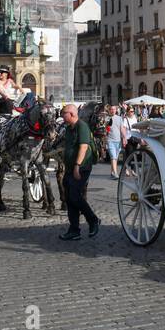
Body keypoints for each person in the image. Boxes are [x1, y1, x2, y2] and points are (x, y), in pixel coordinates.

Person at [58, 103, 99, 241]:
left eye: (64, 113)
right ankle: (74, 230)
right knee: (69, 198)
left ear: (72, 114)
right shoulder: (69, 128)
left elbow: (83, 147)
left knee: (75, 196)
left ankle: (93, 220)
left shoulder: (82, 126)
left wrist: (76, 166)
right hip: (70, 168)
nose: (62, 115)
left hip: (81, 167)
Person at [106, 106, 125, 178]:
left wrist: (124, 137)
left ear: (116, 110)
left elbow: (122, 128)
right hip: (110, 140)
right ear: (109, 110)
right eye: (111, 109)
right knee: (113, 157)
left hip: (118, 140)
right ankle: (115, 173)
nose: (112, 110)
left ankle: (112, 172)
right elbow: (106, 130)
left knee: (115, 158)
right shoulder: (107, 118)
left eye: (114, 109)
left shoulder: (119, 118)